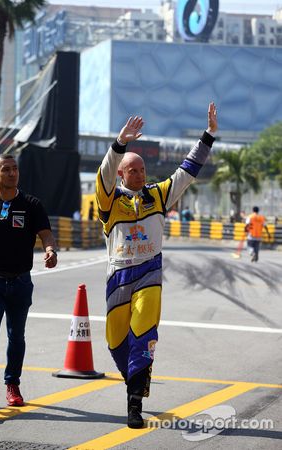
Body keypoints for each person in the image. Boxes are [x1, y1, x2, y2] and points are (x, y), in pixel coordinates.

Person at [96, 102, 217, 428]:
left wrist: (207, 136)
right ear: (122, 173)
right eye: (132, 170)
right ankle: (136, 378)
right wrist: (120, 144)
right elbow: (103, 175)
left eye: (142, 170)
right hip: (118, 276)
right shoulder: (108, 202)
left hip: (149, 272)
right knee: (116, 342)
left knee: (143, 333)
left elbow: (187, 171)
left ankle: (134, 402)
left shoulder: (159, 195)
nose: (138, 174)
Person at [0, 154, 58, 415]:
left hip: (20, 282)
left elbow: (46, 234)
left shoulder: (31, 205)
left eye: (15, 169)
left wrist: (50, 250)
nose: (13, 173)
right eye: (6, 169)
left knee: (16, 337)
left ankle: (12, 384)